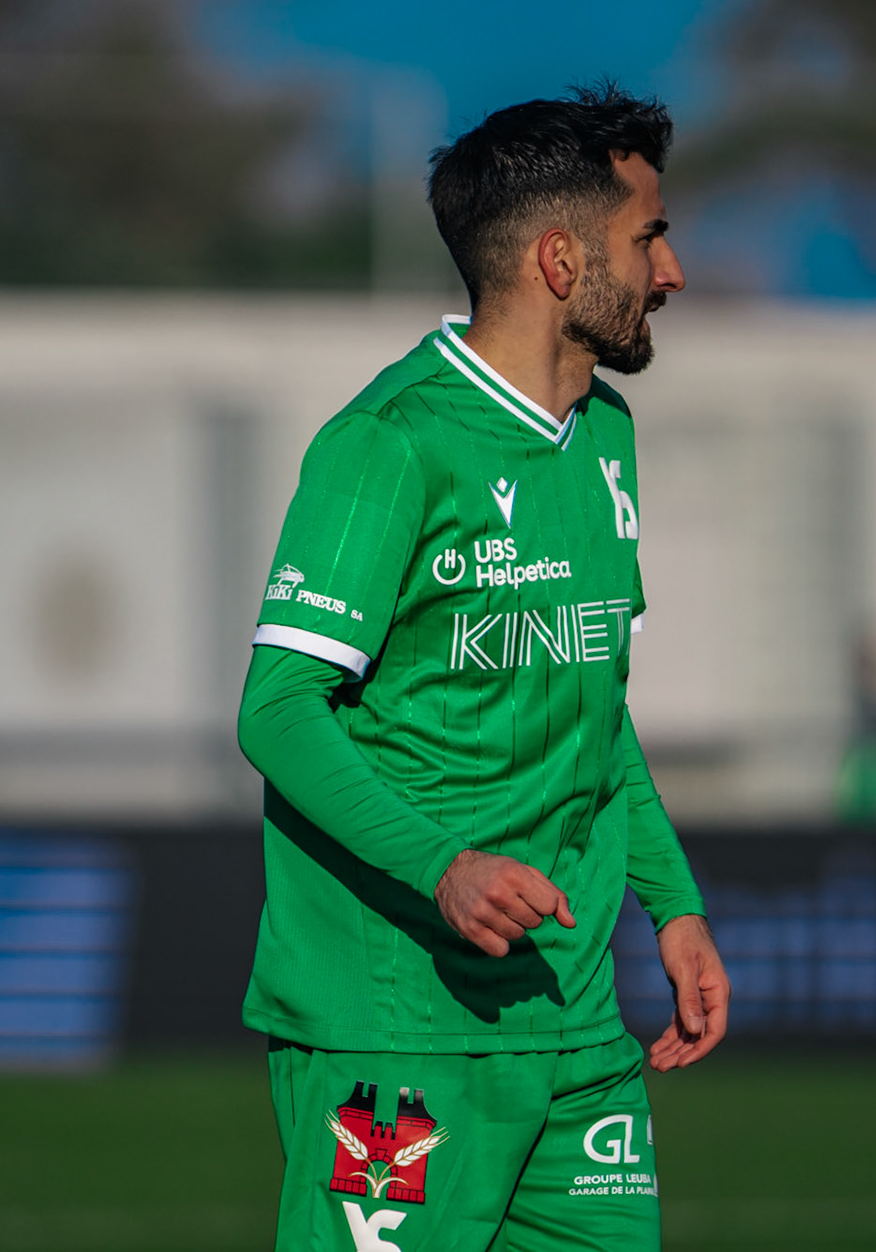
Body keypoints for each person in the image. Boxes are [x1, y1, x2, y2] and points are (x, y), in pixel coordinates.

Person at [235, 84, 730, 1252]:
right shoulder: (390, 443)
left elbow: (596, 705)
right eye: (648, 236)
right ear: (562, 260)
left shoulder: (606, 437)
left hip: (573, 1027)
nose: (672, 271)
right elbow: (279, 709)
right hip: (396, 1029)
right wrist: (441, 864)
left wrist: (675, 903)